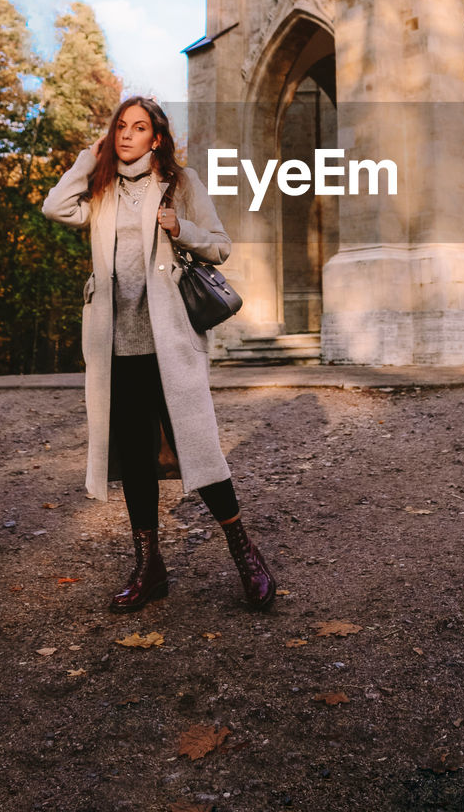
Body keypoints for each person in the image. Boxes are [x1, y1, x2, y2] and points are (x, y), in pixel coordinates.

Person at [42, 96, 276, 613]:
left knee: (200, 447)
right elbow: (55, 207)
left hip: (168, 342)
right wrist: (90, 156)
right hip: (117, 347)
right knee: (136, 459)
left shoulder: (182, 184)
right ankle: (150, 568)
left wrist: (179, 229)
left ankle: (246, 555)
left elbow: (220, 245)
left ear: (157, 138)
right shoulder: (101, 189)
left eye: (138, 127)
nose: (126, 135)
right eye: (119, 127)